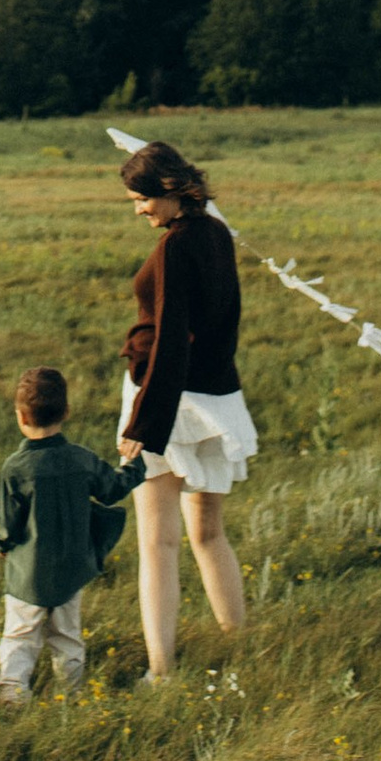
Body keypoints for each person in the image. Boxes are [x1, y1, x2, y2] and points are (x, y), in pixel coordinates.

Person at [114, 140, 257, 669]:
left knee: (158, 544)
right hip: (217, 399)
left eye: (142, 199)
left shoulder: (177, 247)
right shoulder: (216, 233)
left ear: (170, 191)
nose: (139, 210)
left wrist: (144, 424)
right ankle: (236, 643)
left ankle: (161, 670)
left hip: (168, 402)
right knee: (209, 532)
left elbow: (172, 338)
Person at [0, 362, 143, 705]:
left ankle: (13, 696)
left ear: (21, 417)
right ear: (67, 411)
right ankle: (71, 695)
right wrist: (133, 464)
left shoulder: (16, 468)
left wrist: (1, 544)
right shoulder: (81, 459)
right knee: (68, 637)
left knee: (20, 636)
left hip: (26, 575)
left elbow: (5, 521)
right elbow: (113, 489)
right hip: (72, 570)